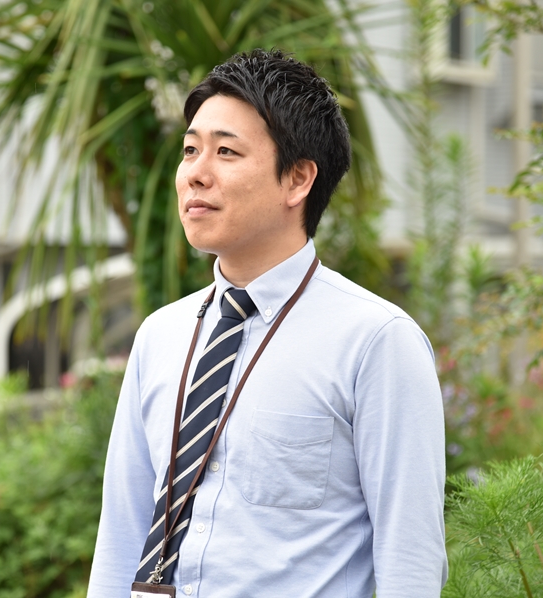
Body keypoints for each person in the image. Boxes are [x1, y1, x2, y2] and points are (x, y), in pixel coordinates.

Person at [87, 49, 447, 598]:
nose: (196, 174)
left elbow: (410, 562)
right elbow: (121, 534)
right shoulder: (160, 335)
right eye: (190, 150)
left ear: (298, 179)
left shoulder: (375, 341)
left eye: (226, 151)